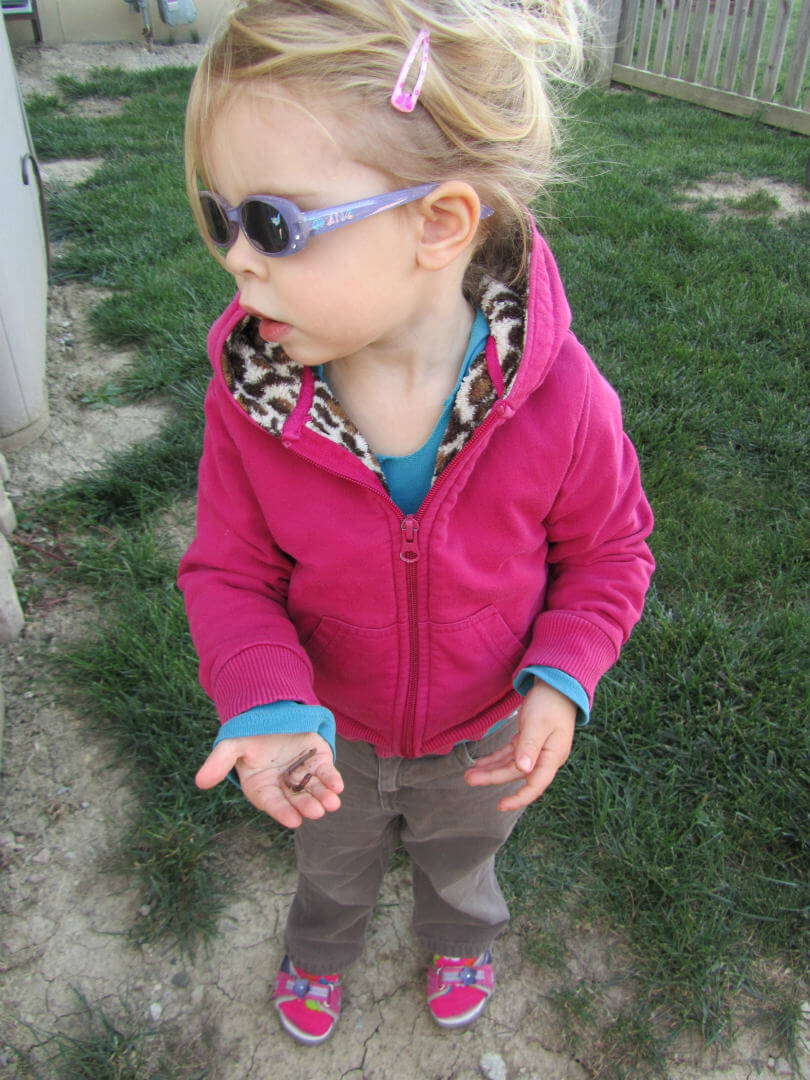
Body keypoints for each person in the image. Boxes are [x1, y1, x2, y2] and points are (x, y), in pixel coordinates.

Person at [178, 0, 654, 1047]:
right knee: (331, 865)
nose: (237, 261)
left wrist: (563, 674)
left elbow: (610, 551)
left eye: (273, 225)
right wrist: (268, 700)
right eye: (221, 218)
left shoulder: (563, 399)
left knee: (463, 861)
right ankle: (320, 950)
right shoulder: (253, 400)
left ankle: (460, 938)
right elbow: (228, 573)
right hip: (329, 732)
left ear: (438, 224)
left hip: (483, 735)